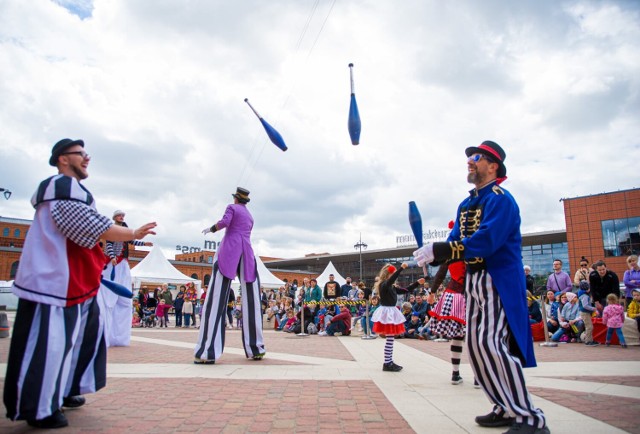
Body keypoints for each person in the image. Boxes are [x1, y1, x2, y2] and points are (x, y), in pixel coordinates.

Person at [4, 138, 156, 429]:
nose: (86, 158)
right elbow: (87, 226)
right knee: (50, 343)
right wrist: (131, 232)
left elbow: (91, 227)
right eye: (80, 154)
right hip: (54, 283)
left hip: (75, 281)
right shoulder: (61, 186)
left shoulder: (74, 190)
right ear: (63, 158)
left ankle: (65, 389)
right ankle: (39, 407)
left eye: (87, 154)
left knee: (83, 337)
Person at [413, 141, 547, 433]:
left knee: (490, 342)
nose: (469, 162)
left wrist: (439, 248)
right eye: (469, 158)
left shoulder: (501, 199)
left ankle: (529, 417)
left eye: (476, 157)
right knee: (475, 346)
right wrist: (434, 253)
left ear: (493, 165)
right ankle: (503, 405)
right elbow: (454, 241)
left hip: (497, 277)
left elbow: (487, 241)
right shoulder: (466, 203)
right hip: (473, 280)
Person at [195, 187, 265, 363]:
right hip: (247, 253)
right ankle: (256, 348)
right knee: (252, 299)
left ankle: (207, 351)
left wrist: (211, 228)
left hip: (230, 250)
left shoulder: (231, 208)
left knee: (216, 297)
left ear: (235, 199)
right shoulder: (250, 216)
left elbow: (225, 222)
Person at [100, 210, 153, 347]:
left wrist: (145, 244)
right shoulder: (113, 230)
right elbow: (110, 244)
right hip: (114, 262)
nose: (121, 217)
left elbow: (132, 241)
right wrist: (112, 257)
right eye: (119, 215)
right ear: (115, 217)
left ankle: (120, 338)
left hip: (123, 262)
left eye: (122, 215)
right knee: (109, 300)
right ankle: (105, 336)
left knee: (124, 301)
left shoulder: (125, 230)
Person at [371, 263, 416, 372]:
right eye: (392, 273)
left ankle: (388, 361)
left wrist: (417, 283)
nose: (394, 276)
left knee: (390, 339)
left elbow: (406, 290)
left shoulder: (391, 286)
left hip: (391, 311)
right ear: (388, 274)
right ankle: (387, 363)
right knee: (390, 339)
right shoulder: (383, 284)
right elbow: (391, 280)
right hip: (387, 312)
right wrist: (401, 269)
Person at [577, 281, 598, 346]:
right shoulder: (584, 296)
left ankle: (590, 339)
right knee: (589, 326)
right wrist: (593, 308)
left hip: (585, 312)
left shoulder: (581, 295)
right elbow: (585, 305)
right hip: (585, 312)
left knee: (589, 326)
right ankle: (588, 340)